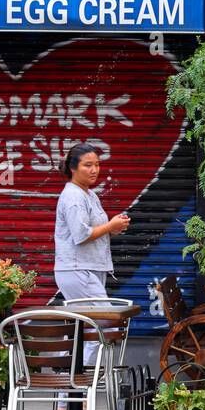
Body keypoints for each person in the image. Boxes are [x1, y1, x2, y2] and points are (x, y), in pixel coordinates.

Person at [54, 143, 130, 368]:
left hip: (88, 268)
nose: (95, 170)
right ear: (73, 168)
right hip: (78, 269)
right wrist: (110, 226)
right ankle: (79, 383)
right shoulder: (74, 197)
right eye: (88, 165)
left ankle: (65, 391)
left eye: (97, 164)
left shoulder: (88, 194)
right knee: (106, 323)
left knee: (81, 327)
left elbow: (93, 229)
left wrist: (113, 227)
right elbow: (81, 235)